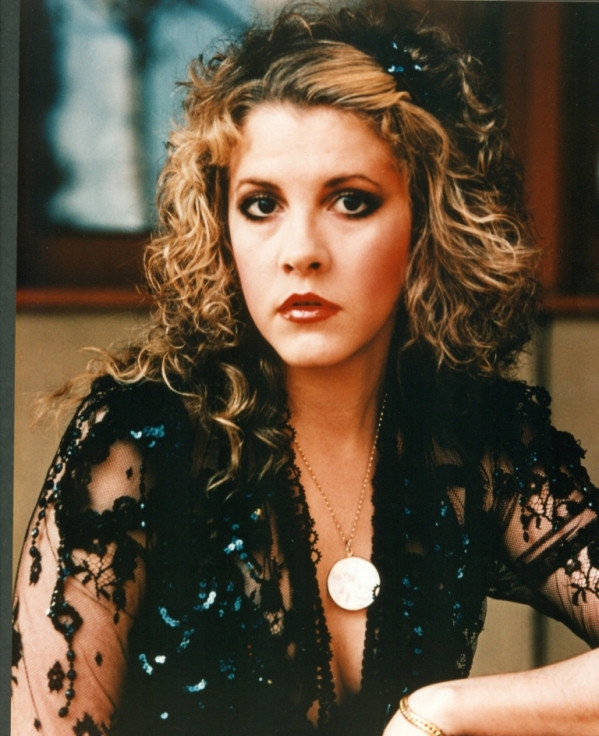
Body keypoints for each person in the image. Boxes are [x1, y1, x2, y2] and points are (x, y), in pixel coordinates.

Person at [11, 1, 599, 734]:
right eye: (261, 205)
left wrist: (445, 711)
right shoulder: (140, 443)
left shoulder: (479, 441)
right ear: (221, 228)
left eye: (350, 201)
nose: (300, 252)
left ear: (429, 220)